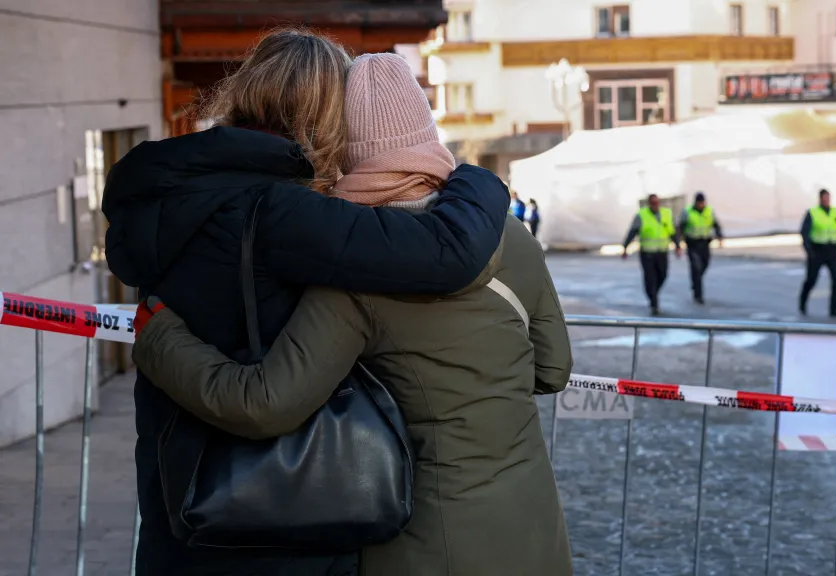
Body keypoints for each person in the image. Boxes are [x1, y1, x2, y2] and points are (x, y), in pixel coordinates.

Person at [130, 53, 573, 576]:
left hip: (424, 541)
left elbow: (267, 403)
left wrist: (158, 338)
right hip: (533, 524)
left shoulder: (353, 280)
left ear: (346, 149)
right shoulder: (512, 237)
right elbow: (552, 370)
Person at [799, 188, 836, 318]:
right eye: (824, 198)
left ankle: (834, 308)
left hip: (832, 251)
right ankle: (803, 303)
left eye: (828, 198)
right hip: (817, 251)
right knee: (811, 280)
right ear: (820, 198)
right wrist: (808, 251)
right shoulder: (812, 212)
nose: (826, 200)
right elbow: (804, 233)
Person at [622, 193, 678, 315]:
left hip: (662, 252)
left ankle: (653, 294)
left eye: (657, 203)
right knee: (650, 278)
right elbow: (632, 232)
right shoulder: (641, 215)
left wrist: (678, 246)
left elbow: (672, 232)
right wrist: (625, 247)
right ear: (649, 204)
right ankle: (654, 303)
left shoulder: (666, 214)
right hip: (647, 253)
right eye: (653, 203)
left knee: (662, 275)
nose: (655, 205)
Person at [676, 192, 723, 305]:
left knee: (705, 264)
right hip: (692, 243)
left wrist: (719, 237)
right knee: (696, 268)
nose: (701, 205)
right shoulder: (687, 212)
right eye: (699, 203)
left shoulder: (709, 211)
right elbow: (680, 227)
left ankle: (695, 282)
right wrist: (678, 243)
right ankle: (698, 295)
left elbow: (716, 224)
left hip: (705, 243)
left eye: (703, 203)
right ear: (696, 202)